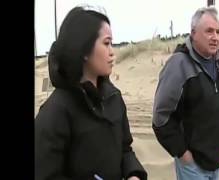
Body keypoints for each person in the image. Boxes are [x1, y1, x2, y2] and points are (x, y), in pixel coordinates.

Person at [35, 4, 147, 180]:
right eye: (106, 43)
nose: (112, 53)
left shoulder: (113, 98)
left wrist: (133, 174)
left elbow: (125, 149)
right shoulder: (55, 112)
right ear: (84, 49)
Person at [152, 6, 219, 180]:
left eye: (218, 32)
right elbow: (160, 118)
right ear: (194, 33)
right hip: (194, 165)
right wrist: (182, 153)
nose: (215, 37)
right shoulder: (179, 64)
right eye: (209, 31)